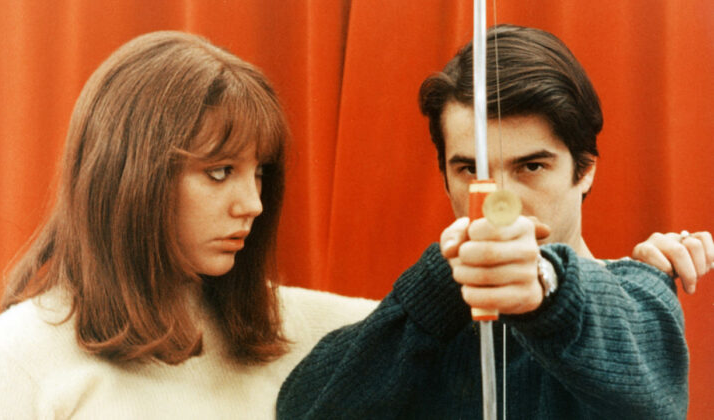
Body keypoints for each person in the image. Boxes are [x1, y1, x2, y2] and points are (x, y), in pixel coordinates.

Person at [277, 24, 712, 419]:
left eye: (531, 166)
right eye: (470, 170)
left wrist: (545, 284)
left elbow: (653, 392)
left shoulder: (638, 292)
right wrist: (443, 279)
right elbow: (302, 409)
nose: (499, 201)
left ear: (585, 170)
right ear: (445, 178)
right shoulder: (435, 312)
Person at [0, 31, 377, 418]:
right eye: (220, 172)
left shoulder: (289, 326)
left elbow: (410, 320)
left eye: (259, 173)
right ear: (133, 178)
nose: (253, 204)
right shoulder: (22, 354)